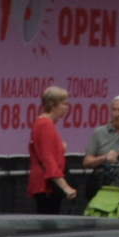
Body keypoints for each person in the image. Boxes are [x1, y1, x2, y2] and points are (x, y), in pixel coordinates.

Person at [28, 86, 75, 214]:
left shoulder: (44, 124)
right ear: (53, 105)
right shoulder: (45, 125)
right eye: (64, 103)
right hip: (46, 185)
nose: (67, 107)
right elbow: (48, 158)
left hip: (46, 184)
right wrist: (65, 187)